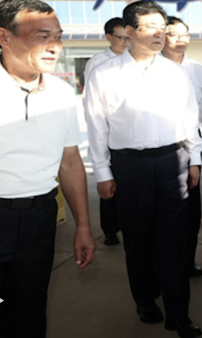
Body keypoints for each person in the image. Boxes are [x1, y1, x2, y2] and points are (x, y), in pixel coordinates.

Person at [0, 0, 96, 337]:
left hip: (38, 221)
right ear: (4, 37)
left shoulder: (61, 93)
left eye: (58, 36)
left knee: (29, 309)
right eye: (42, 36)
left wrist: (83, 226)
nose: (54, 46)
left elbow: (70, 162)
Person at [84, 1, 202, 338]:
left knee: (174, 239)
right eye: (151, 27)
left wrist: (194, 159)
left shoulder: (175, 72)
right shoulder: (104, 73)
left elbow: (189, 117)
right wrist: (103, 172)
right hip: (130, 165)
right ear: (130, 31)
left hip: (172, 162)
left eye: (162, 28)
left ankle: (179, 313)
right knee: (137, 238)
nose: (159, 34)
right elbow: (96, 126)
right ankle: (145, 299)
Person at [161, 16, 202, 277]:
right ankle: (164, 264)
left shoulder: (197, 69)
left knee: (191, 209)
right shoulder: (152, 68)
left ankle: (187, 260)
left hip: (191, 144)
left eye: (185, 34)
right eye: (174, 34)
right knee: (164, 210)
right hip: (162, 144)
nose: (180, 39)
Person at [84, 17, 129, 246]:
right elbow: (93, 106)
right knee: (109, 180)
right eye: (121, 38)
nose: (126, 42)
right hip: (109, 134)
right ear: (108, 37)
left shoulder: (135, 61)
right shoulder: (98, 63)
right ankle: (110, 229)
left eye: (129, 38)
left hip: (129, 135)